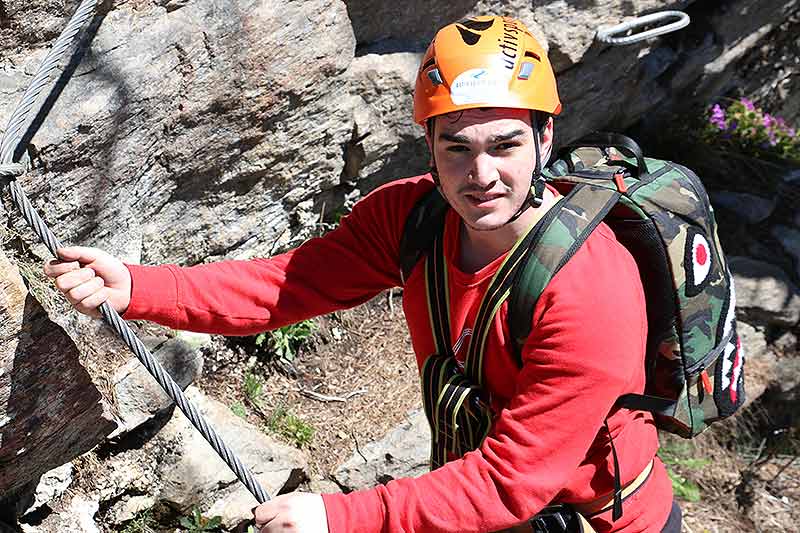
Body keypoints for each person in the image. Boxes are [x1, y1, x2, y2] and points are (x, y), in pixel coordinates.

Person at [44, 15, 682, 533]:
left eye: (505, 145)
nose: (481, 176)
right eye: (456, 147)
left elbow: (510, 481)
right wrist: (140, 287)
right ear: (427, 144)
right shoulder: (415, 217)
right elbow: (287, 284)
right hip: (480, 502)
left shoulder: (591, 291)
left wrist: (337, 515)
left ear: (545, 139)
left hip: (594, 519)